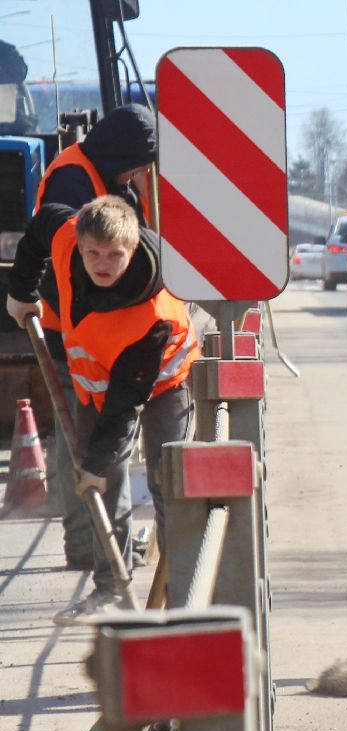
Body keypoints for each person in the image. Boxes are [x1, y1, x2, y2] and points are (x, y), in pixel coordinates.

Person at [6, 194, 198, 623]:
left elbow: (126, 405)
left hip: (163, 380)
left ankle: (182, 591)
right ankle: (110, 587)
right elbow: (39, 227)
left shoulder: (151, 314)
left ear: (132, 248)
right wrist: (22, 291)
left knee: (166, 476)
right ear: (79, 243)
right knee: (105, 483)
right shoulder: (67, 234)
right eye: (93, 253)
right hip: (94, 381)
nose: (102, 264)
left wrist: (96, 462)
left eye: (114, 255)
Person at [33, 104, 158, 570]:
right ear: (120, 154)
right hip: (75, 331)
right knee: (82, 439)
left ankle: (104, 546)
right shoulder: (73, 178)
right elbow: (62, 256)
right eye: (137, 165)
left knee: (99, 438)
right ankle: (88, 545)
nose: (139, 174)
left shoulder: (107, 176)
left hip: (105, 332)